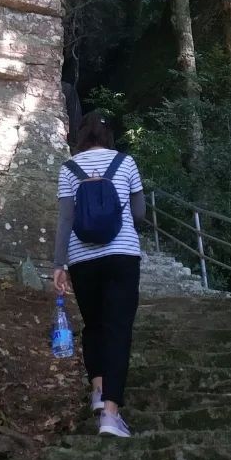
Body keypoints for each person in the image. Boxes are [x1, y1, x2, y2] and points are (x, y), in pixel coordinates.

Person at [53, 109, 146, 438]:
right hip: (121, 255)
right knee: (118, 330)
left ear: (82, 135)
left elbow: (66, 219)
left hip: (82, 260)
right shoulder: (126, 163)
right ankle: (110, 414)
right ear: (108, 135)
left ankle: (97, 391)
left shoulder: (69, 168)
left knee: (93, 326)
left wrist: (58, 264)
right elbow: (138, 213)